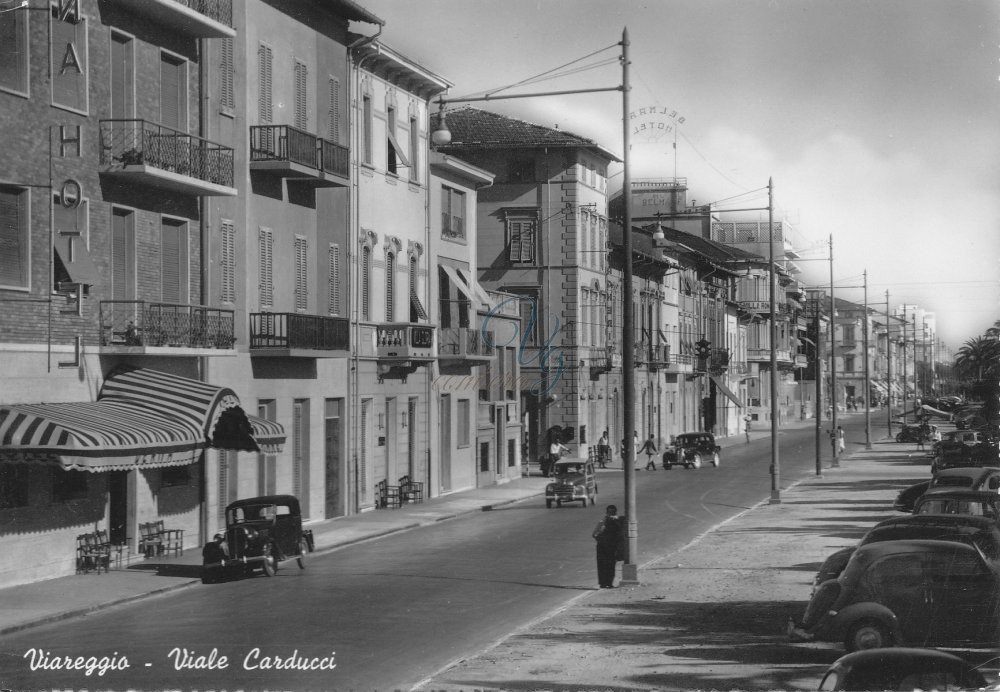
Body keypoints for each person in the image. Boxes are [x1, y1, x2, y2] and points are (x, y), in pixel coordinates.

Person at [592, 505, 621, 588]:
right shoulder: (604, 521)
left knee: (609, 565)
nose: (611, 514)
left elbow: (594, 534)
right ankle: (604, 583)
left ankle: (607, 583)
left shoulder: (615, 521)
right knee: (604, 565)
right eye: (610, 512)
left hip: (611, 546)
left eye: (612, 512)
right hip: (605, 547)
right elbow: (594, 534)